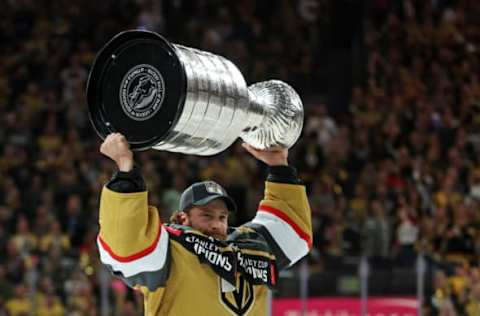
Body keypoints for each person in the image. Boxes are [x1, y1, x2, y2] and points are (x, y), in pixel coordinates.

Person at [97, 133, 312, 315]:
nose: (217, 224)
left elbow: (293, 232)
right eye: (207, 216)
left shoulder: (251, 248)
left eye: (222, 217)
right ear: (183, 218)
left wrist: (279, 167)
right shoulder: (170, 250)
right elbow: (126, 244)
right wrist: (126, 171)